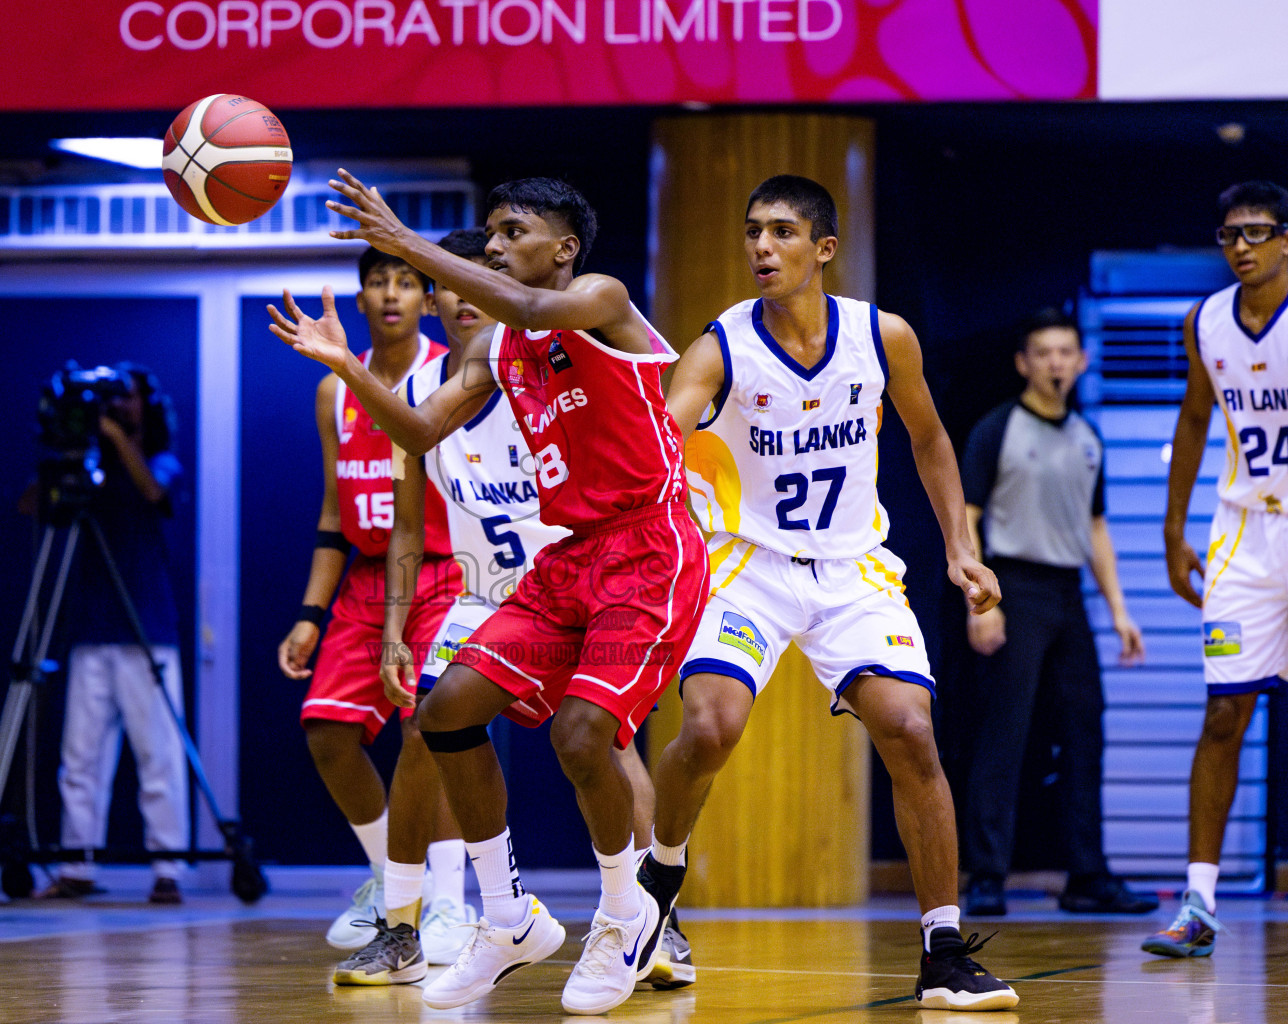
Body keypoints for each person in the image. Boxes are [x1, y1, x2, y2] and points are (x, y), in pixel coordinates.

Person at [271, 171, 708, 1016]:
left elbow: (536, 310)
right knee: (445, 712)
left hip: (650, 549)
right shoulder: (494, 351)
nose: (498, 245)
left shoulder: (598, 297)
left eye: (513, 232)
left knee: (586, 736)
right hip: (569, 559)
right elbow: (419, 429)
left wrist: (402, 242)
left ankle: (627, 916)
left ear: (564, 246)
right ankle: (508, 920)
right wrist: (346, 370)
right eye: (491, 234)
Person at [640, 174, 1018, 1011]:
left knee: (911, 730)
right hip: (747, 566)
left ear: (824, 249)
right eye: (751, 232)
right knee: (708, 728)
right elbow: (668, 430)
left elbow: (929, 438)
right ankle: (657, 879)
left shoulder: (884, 338)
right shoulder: (722, 347)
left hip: (853, 570)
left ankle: (944, 950)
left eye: (780, 232)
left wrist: (962, 547)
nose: (761, 248)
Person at [276, 248, 464, 951]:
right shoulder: (335, 389)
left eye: (406, 281)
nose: (391, 293)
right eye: (378, 282)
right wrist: (308, 614)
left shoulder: (449, 373)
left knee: (428, 732)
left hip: (444, 571)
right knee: (326, 731)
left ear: (425, 297)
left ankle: (446, 902)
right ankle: (391, 879)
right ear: (359, 301)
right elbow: (334, 510)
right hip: (364, 576)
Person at [958, 309, 1155, 917]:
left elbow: (1095, 528)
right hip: (1013, 584)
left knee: (1084, 731)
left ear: (1081, 361)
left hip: (1069, 594)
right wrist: (980, 601)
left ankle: (1087, 876)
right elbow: (967, 517)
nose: (1055, 363)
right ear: (1024, 362)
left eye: (1065, 352)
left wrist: (1120, 610)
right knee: (1006, 735)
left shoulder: (1088, 438)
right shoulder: (997, 429)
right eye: (1043, 352)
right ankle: (987, 876)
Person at [1143, 181, 1288, 958]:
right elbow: (1196, 416)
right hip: (1241, 537)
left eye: (1258, 232)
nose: (1241, 246)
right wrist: (1172, 528)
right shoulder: (1207, 321)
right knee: (1224, 714)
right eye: (1230, 234)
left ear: (1286, 239)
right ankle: (1197, 903)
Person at [35, 363, 190, 905]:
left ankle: (168, 865)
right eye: (110, 400)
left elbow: (153, 492)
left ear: (146, 406)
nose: (116, 408)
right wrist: (72, 451)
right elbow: (34, 505)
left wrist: (119, 441)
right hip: (91, 628)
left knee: (159, 756)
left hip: (148, 628)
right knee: (79, 756)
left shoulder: (160, 462)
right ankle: (76, 864)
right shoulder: (90, 468)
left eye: (125, 398)